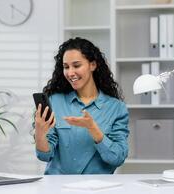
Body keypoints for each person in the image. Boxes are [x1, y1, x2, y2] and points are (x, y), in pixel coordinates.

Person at [34, 37, 129, 174]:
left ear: (93, 65)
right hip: (57, 190)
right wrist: (40, 132)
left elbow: (117, 158)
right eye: (66, 67)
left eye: (76, 65)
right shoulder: (55, 102)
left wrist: (93, 128)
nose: (70, 72)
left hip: (96, 191)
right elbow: (44, 156)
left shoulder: (116, 108)